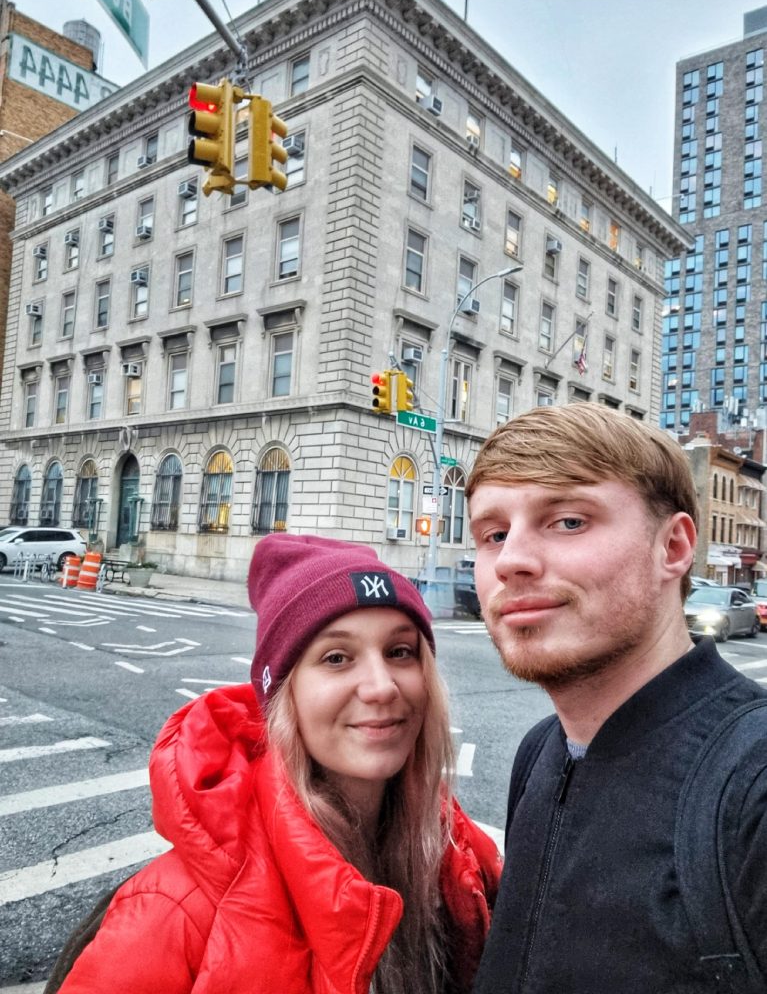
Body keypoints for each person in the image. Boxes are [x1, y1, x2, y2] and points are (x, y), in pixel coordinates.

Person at [56, 533, 500, 994]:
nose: (381, 686)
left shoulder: (465, 858)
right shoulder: (172, 914)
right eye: (336, 657)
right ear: (283, 696)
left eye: (400, 651)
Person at [466, 402, 767, 994]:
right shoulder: (539, 753)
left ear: (674, 547)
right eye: (494, 534)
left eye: (570, 521)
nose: (512, 562)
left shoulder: (753, 785)